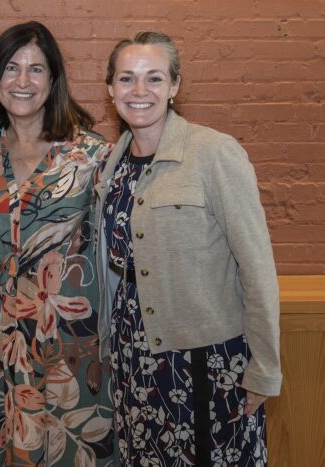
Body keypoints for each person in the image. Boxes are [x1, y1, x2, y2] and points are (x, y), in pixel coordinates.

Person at [96, 31, 281, 466]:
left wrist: (265, 367)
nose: (139, 91)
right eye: (126, 79)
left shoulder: (214, 153)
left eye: (154, 78)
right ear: (110, 89)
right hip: (131, 352)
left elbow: (256, 268)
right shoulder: (113, 162)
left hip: (206, 360)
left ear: (175, 86)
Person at [0, 22, 117, 466]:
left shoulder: (92, 155)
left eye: (36, 69)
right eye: (11, 68)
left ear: (53, 82)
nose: (23, 81)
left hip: (70, 342)